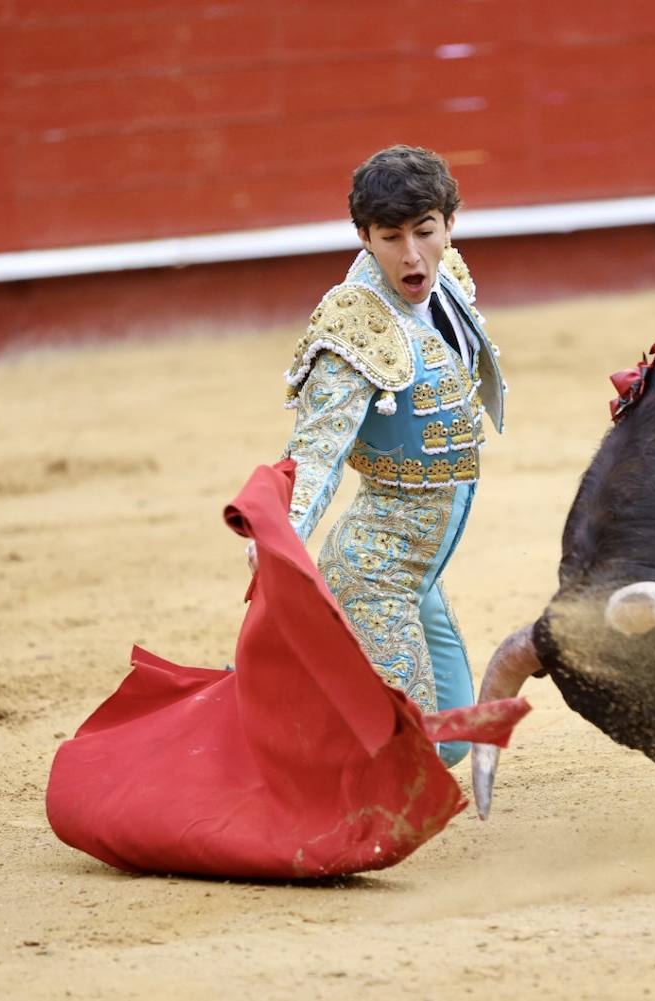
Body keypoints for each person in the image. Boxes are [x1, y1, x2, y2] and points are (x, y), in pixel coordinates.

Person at [254, 144, 506, 767]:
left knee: (450, 737)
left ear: (450, 222)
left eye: (425, 232)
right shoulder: (353, 327)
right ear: (364, 237)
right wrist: (279, 539)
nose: (411, 255)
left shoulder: (448, 280)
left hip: (416, 573)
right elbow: (316, 450)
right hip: (376, 576)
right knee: (410, 754)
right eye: (391, 238)